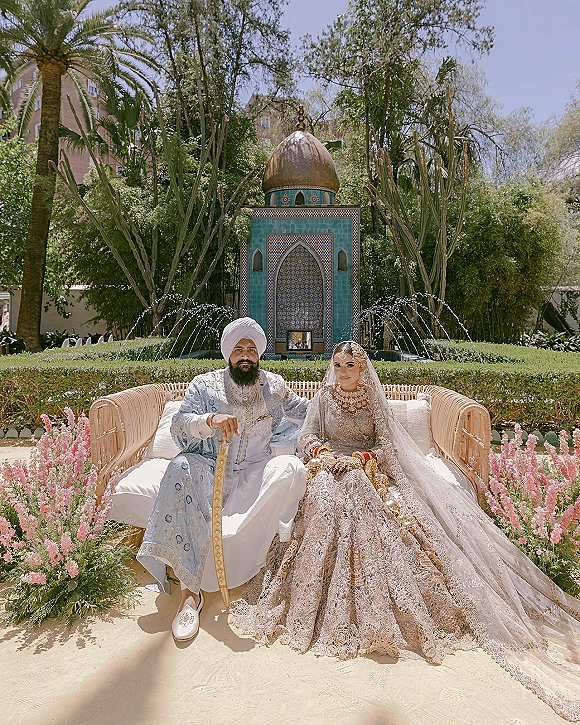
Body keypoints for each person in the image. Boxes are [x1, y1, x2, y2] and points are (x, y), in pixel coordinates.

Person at [230, 341, 580, 722]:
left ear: (363, 370)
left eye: (350, 365)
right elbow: (307, 436)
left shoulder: (372, 400)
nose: (342, 370)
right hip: (328, 469)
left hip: (365, 473)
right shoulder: (323, 396)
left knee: (368, 508)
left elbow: (386, 447)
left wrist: (361, 460)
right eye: (338, 364)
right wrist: (321, 454)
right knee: (324, 506)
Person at [137, 317, 309, 642]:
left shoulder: (274, 385)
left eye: (251, 349)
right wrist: (210, 419)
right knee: (180, 467)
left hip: (256, 471)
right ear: (228, 354)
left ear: (259, 355)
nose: (245, 355)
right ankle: (190, 595)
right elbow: (178, 426)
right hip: (211, 467)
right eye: (239, 349)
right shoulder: (204, 384)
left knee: (292, 468)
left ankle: (279, 567)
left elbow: (308, 412)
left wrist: (350, 400)